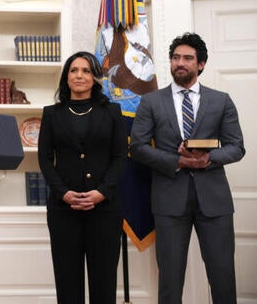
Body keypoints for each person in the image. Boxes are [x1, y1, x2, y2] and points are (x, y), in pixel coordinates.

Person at [130, 33, 245, 304]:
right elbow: (137, 147)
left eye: (187, 58)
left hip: (214, 202)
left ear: (201, 64)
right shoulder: (151, 102)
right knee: (169, 281)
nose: (180, 63)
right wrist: (177, 161)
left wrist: (208, 159)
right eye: (175, 58)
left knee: (223, 277)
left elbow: (236, 147)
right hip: (169, 201)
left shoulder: (221, 100)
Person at [38, 51, 127, 304]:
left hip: (105, 210)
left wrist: (101, 193)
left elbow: (121, 157)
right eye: (74, 70)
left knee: (104, 286)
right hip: (63, 211)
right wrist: (63, 193)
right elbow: (44, 159)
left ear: (95, 77)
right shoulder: (52, 114)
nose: (79, 75)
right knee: (68, 287)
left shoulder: (112, 111)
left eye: (86, 70)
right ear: (66, 77)